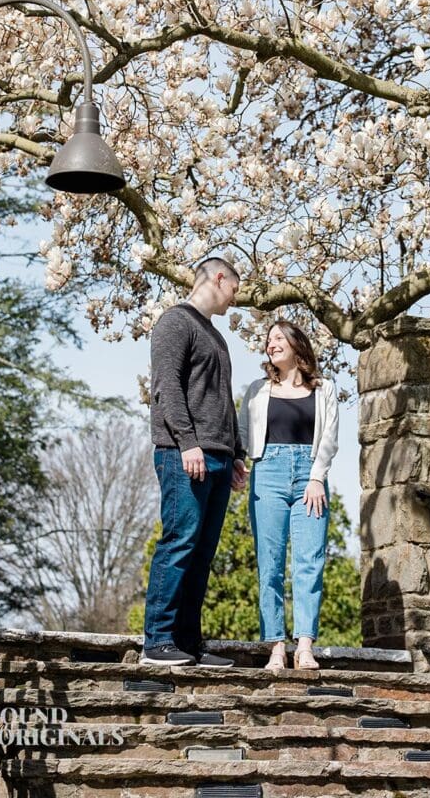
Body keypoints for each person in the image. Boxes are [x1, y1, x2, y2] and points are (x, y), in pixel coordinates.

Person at [141, 256, 249, 667]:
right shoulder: (175, 322)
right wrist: (188, 443)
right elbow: (166, 389)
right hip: (183, 455)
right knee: (180, 542)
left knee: (202, 553)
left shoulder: (217, 338)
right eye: (235, 290)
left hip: (219, 458)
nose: (234, 299)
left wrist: (236, 453)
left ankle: (187, 643)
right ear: (219, 278)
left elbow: (222, 400)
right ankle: (158, 641)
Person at [239, 320, 339, 671]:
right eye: (269, 340)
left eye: (279, 338)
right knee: (270, 563)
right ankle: (277, 647)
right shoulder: (257, 390)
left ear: (297, 345)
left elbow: (329, 437)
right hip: (268, 473)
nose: (272, 344)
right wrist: (239, 463)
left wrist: (316, 478)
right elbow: (242, 433)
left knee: (310, 561)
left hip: (310, 477)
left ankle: (305, 646)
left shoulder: (324, 389)